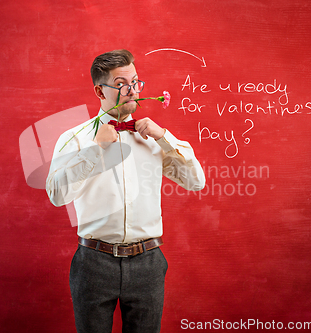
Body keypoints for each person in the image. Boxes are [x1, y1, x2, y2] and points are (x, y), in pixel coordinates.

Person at [46, 49, 205, 333]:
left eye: (136, 82)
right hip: (93, 263)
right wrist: (96, 149)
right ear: (99, 89)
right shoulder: (73, 139)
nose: (132, 91)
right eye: (121, 84)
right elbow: (58, 195)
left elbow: (195, 182)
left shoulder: (153, 137)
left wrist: (165, 138)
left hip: (149, 262)